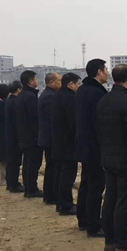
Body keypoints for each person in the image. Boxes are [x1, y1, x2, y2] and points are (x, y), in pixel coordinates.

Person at [95, 64, 127, 251]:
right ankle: (123, 244)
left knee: (110, 199)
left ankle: (110, 240)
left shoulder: (103, 101)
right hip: (125, 161)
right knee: (123, 202)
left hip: (107, 157)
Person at [76, 59, 109, 237]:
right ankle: (94, 225)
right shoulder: (96, 93)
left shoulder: (82, 90)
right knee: (96, 186)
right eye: (106, 69)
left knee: (86, 183)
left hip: (84, 144)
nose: (108, 72)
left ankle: (83, 219)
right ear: (99, 72)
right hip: (95, 145)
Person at [52, 73, 82, 215]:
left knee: (60, 174)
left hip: (58, 142)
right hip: (67, 144)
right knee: (67, 175)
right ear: (71, 84)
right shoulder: (69, 98)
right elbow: (73, 123)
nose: (79, 87)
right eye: (78, 84)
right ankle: (66, 205)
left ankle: (61, 203)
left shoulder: (58, 95)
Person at [16, 70, 43, 198]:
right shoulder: (30, 97)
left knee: (27, 162)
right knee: (33, 163)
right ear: (30, 82)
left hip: (24, 135)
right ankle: (32, 189)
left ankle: (29, 188)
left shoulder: (21, 95)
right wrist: (38, 134)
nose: (37, 81)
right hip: (32, 136)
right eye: (36, 79)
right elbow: (34, 118)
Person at [38, 72, 62, 205]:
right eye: (59, 81)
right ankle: (51, 195)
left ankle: (50, 195)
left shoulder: (48, 94)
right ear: (51, 82)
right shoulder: (50, 97)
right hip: (51, 138)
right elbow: (54, 119)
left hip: (48, 137)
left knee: (51, 167)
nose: (61, 83)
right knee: (53, 168)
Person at [4, 81, 24, 193]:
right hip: (15, 136)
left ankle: (10, 182)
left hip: (9, 135)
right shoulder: (16, 102)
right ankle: (14, 184)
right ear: (18, 89)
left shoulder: (9, 101)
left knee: (11, 161)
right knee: (15, 161)